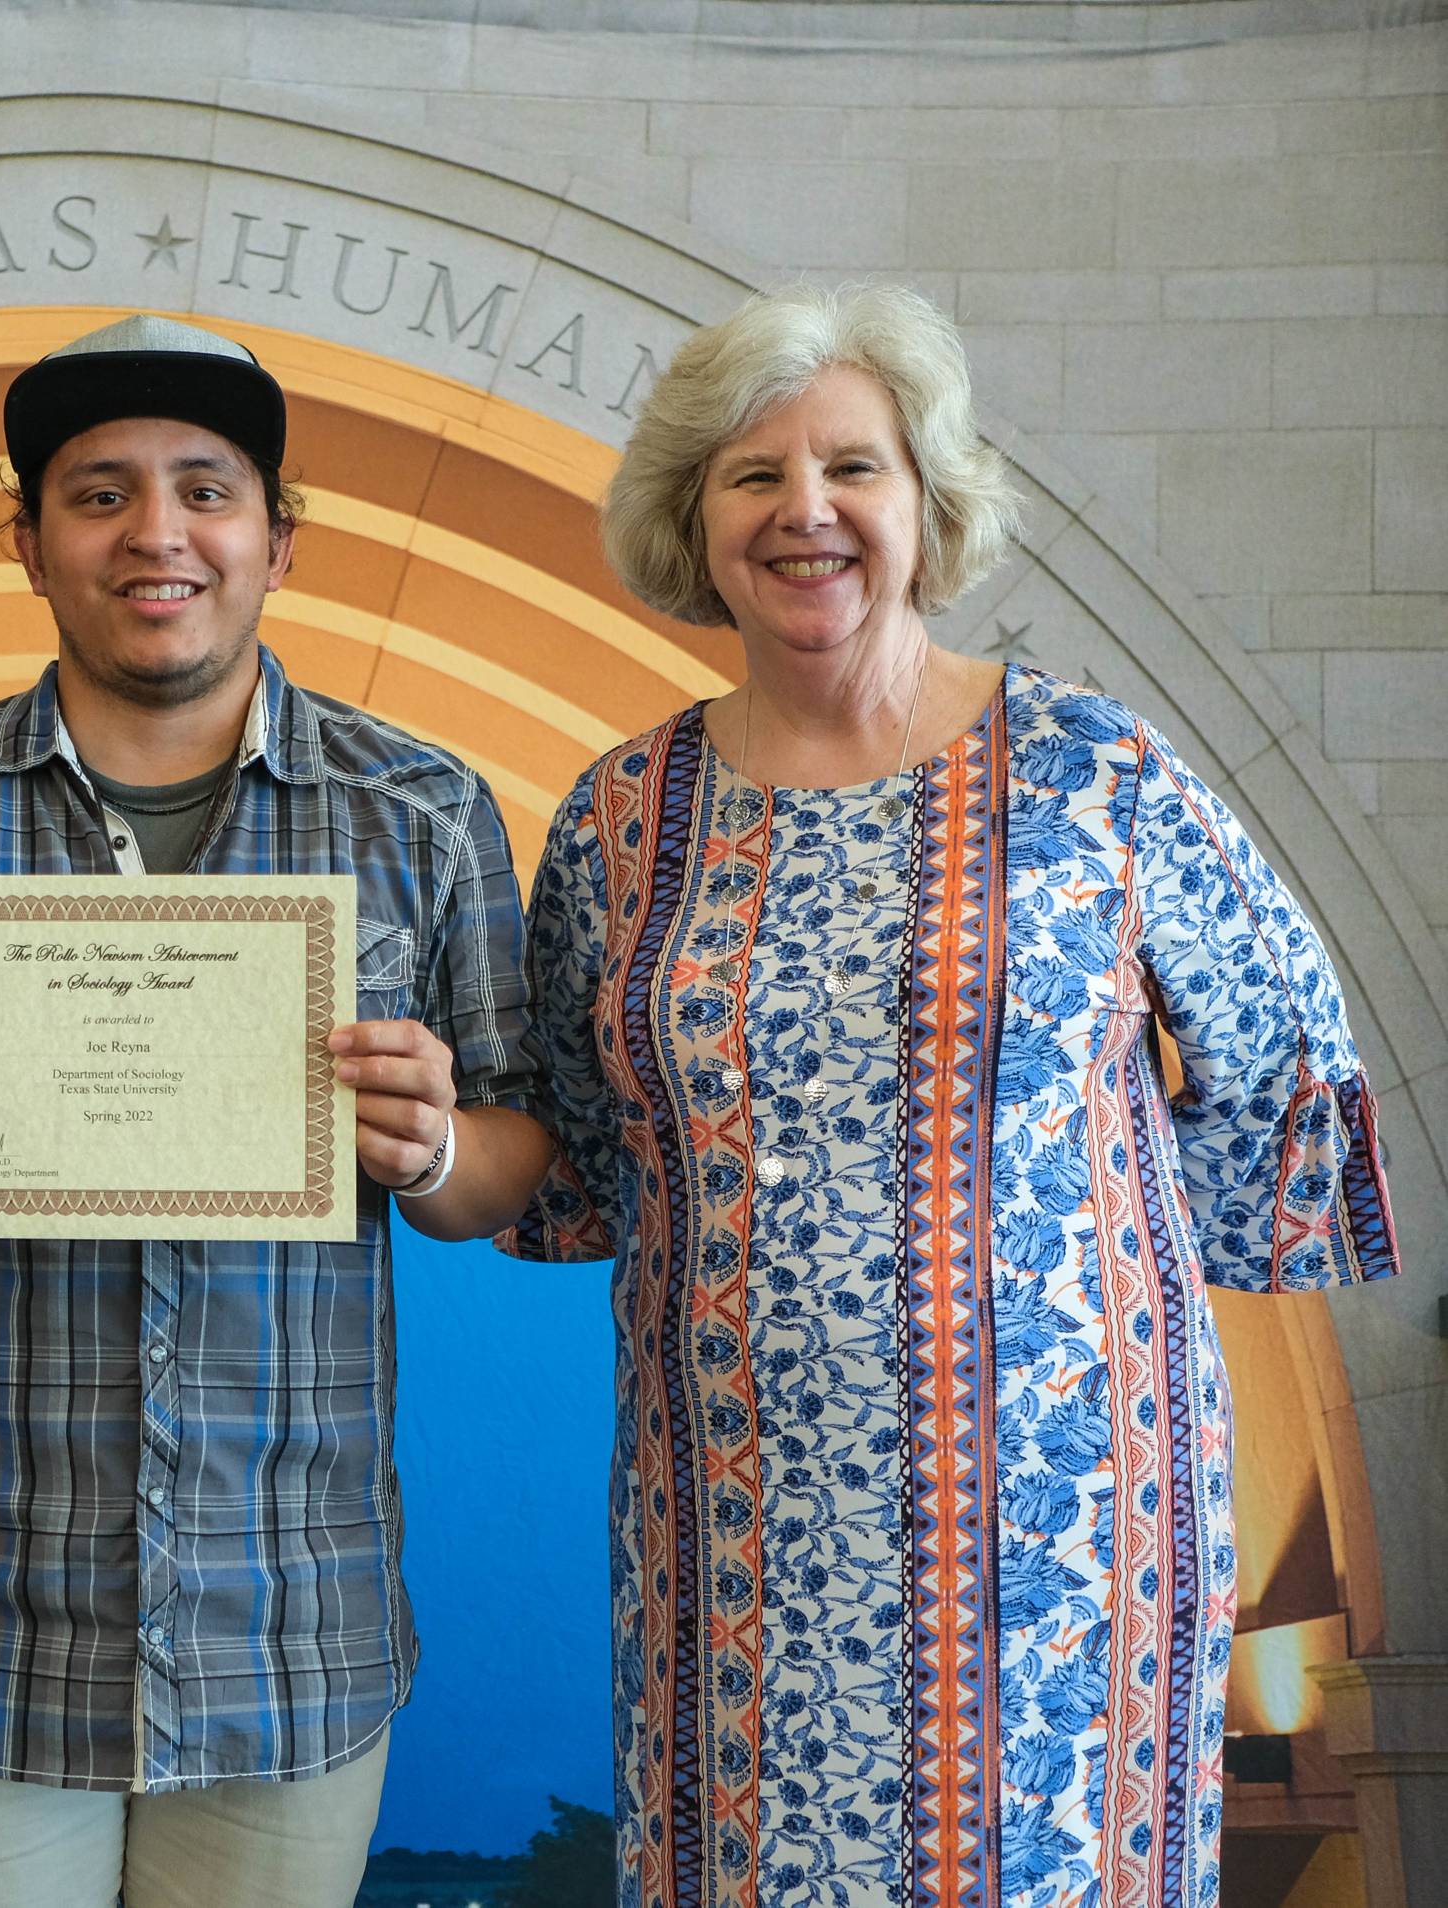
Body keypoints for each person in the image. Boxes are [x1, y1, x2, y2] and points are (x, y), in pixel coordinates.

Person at [508, 282, 1398, 1908]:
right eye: (750, 474)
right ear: (687, 521)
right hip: (733, 1533)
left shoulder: (1091, 769)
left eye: (851, 466)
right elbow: (582, 1144)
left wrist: (1086, 1271)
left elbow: (1279, 1051)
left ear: (926, 501)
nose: (805, 512)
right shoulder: (618, 817)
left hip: (1062, 1532)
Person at [0, 313, 553, 1908]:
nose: (155, 533)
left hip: (289, 1613)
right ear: (28, 544)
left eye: (205, 489)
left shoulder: (420, 814)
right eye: (97, 494)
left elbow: (512, 1167)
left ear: (278, 540)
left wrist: (439, 1144)